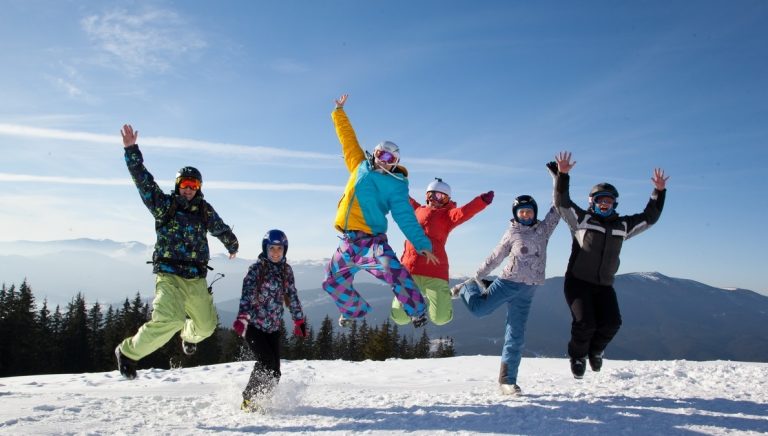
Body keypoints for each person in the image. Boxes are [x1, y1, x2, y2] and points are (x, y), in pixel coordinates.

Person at [115, 124, 239, 380]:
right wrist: (131, 151)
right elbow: (143, 180)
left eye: (193, 185)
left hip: (196, 278)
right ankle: (127, 353)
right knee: (169, 320)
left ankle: (188, 336)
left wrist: (231, 243)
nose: (188, 189)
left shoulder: (204, 210)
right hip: (169, 275)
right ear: (178, 185)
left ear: (199, 187)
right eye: (185, 184)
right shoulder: (164, 206)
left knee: (206, 326)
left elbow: (219, 227)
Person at [321, 94, 439, 329]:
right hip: (347, 241)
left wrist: (422, 244)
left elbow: (405, 217)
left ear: (395, 162)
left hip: (371, 242)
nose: (383, 160)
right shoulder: (359, 165)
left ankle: (416, 310)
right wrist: (339, 112)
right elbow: (348, 141)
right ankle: (353, 311)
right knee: (332, 281)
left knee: (391, 269)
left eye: (389, 158)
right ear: (373, 153)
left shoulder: (396, 185)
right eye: (380, 154)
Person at [551, 151, 668, 379]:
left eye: (609, 201)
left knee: (612, 323)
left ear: (615, 203)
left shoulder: (622, 226)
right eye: (600, 200)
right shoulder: (582, 220)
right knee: (585, 323)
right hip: (578, 282)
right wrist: (562, 176)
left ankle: (596, 352)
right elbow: (561, 202)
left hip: (604, 285)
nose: (605, 204)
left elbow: (649, 217)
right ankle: (577, 356)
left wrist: (659, 192)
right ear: (592, 202)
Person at [452, 192, 560, 395]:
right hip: (507, 283)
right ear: (516, 214)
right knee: (479, 310)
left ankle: (507, 381)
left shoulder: (543, 230)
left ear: (534, 213)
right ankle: (467, 288)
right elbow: (496, 256)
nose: (526, 215)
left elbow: (557, 209)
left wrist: (561, 177)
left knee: (516, 337)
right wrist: (475, 276)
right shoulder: (512, 233)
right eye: (522, 212)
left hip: (528, 290)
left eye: (529, 212)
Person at [391, 178, 493, 326]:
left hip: (435, 272)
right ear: (427, 196)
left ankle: (453, 293)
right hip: (409, 271)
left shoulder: (448, 216)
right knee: (400, 317)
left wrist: (481, 201)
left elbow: (464, 212)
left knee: (440, 319)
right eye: (432, 195)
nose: (436, 200)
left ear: (447, 200)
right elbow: (402, 196)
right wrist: (388, 182)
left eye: (441, 197)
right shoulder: (416, 210)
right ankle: (418, 306)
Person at [232, 229, 307, 413]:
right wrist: (243, 317)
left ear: (284, 250)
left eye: (279, 249)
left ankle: (262, 400)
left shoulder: (286, 271)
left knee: (275, 372)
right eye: (272, 248)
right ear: (265, 248)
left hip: (273, 328)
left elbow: (292, 295)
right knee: (265, 362)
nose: (275, 252)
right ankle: (249, 400)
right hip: (253, 326)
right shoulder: (256, 269)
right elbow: (247, 295)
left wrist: (299, 320)